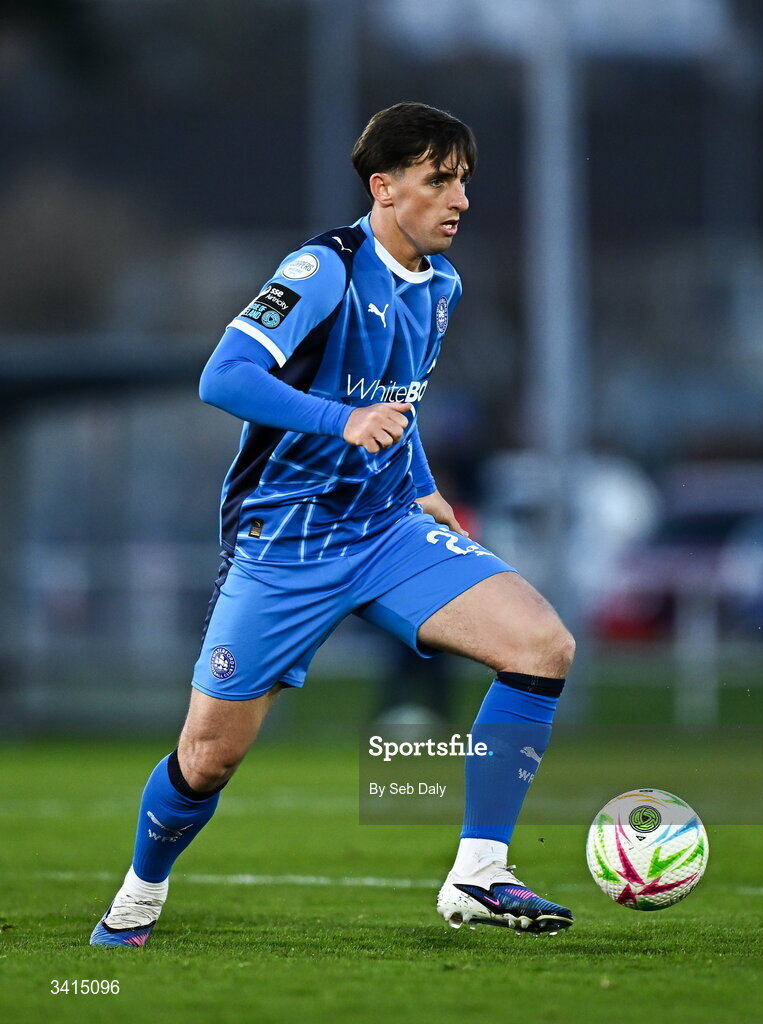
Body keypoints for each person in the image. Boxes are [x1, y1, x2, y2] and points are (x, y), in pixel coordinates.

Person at [90, 102, 575, 947]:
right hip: (285, 546)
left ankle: (479, 875)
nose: (458, 198)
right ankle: (137, 897)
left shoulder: (444, 286)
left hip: (386, 531)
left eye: (463, 180)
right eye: (438, 180)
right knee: (208, 759)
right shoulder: (322, 269)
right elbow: (224, 375)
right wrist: (337, 422)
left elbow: (399, 401)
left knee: (542, 646)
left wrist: (421, 484)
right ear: (385, 189)